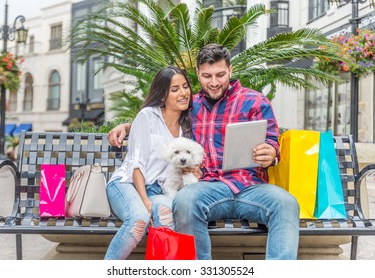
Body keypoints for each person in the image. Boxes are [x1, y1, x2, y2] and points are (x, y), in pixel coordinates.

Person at [108, 44, 300, 260]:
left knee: (286, 203)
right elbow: (159, 119)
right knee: (185, 202)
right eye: (207, 76)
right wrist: (127, 127)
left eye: (220, 74)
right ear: (198, 74)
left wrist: (271, 153)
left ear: (231, 70)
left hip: (249, 187)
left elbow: (272, 141)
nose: (214, 82)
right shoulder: (191, 105)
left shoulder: (255, 101)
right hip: (206, 187)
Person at [104, 66, 194, 260]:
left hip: (156, 189)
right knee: (139, 219)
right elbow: (137, 163)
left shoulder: (186, 125)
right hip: (126, 183)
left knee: (167, 213)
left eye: (185, 87)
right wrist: (145, 201)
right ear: (162, 95)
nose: (183, 93)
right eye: (175, 89)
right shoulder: (147, 116)